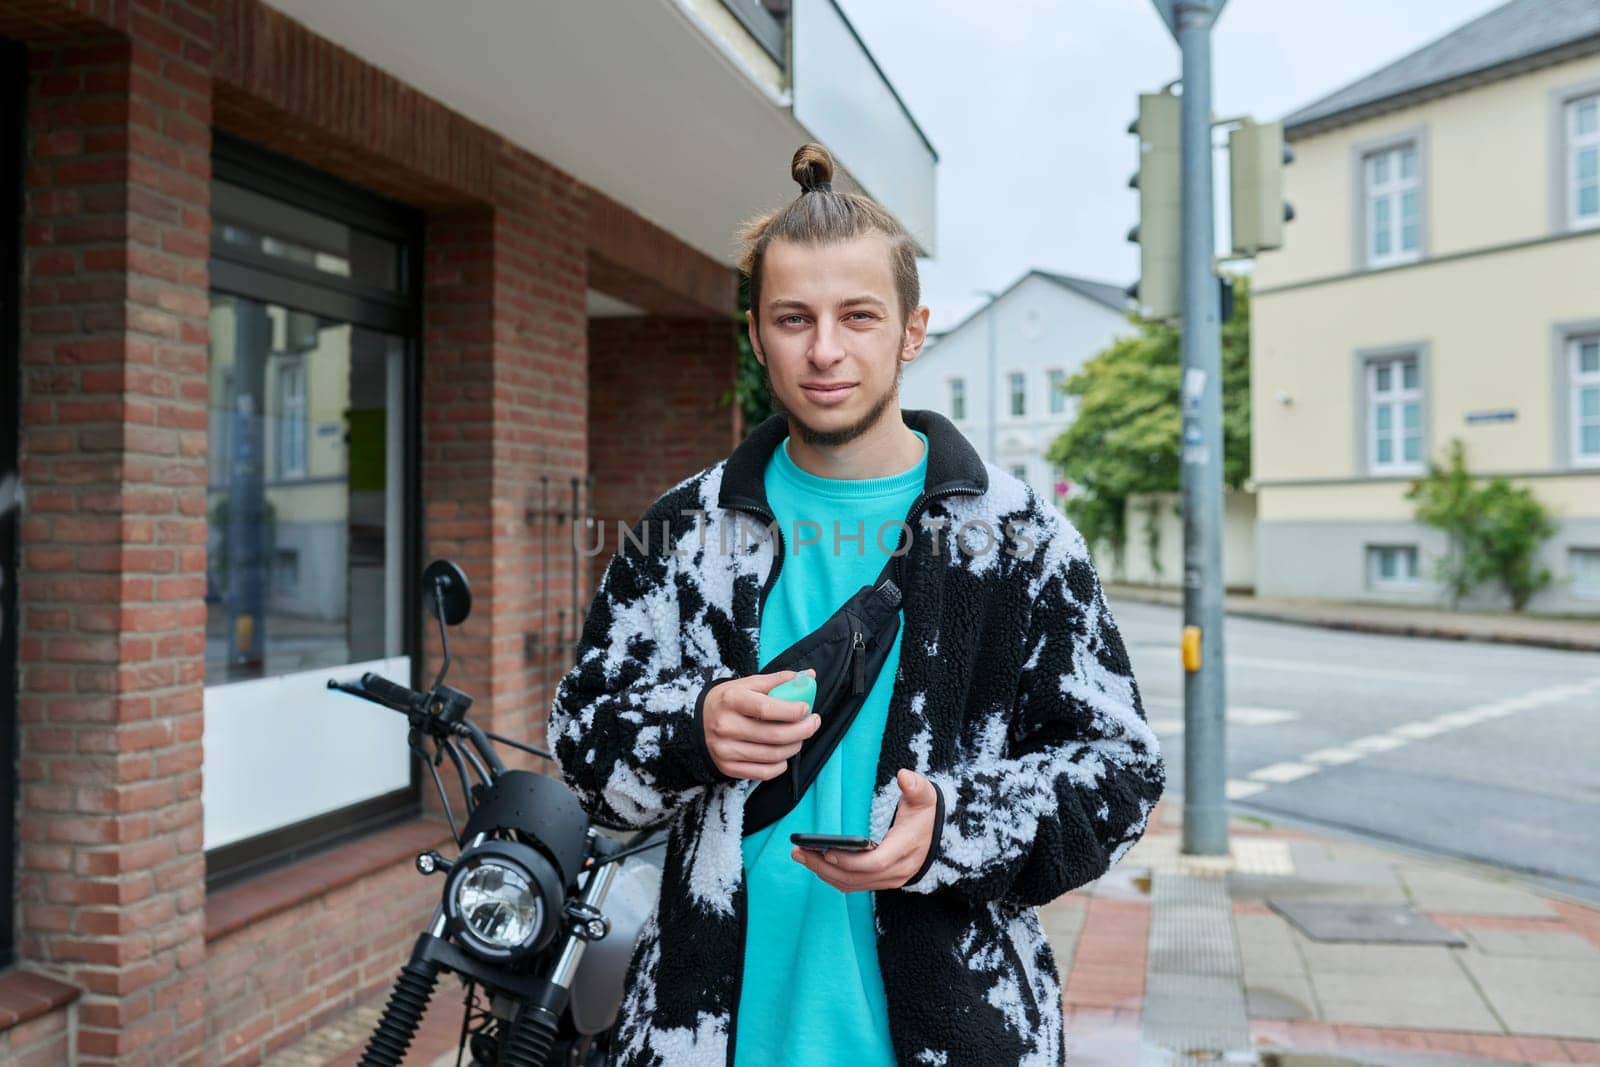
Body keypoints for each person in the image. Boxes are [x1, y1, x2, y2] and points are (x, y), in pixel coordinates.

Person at [549, 143, 1164, 1066]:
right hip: (705, 1032)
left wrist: (954, 825)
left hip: (958, 1033)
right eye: (792, 318)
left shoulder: (1022, 539)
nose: (824, 349)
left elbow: (1120, 771)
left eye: (858, 316)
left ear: (913, 331)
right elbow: (584, 744)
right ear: (756, 334)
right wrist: (694, 729)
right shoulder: (683, 530)